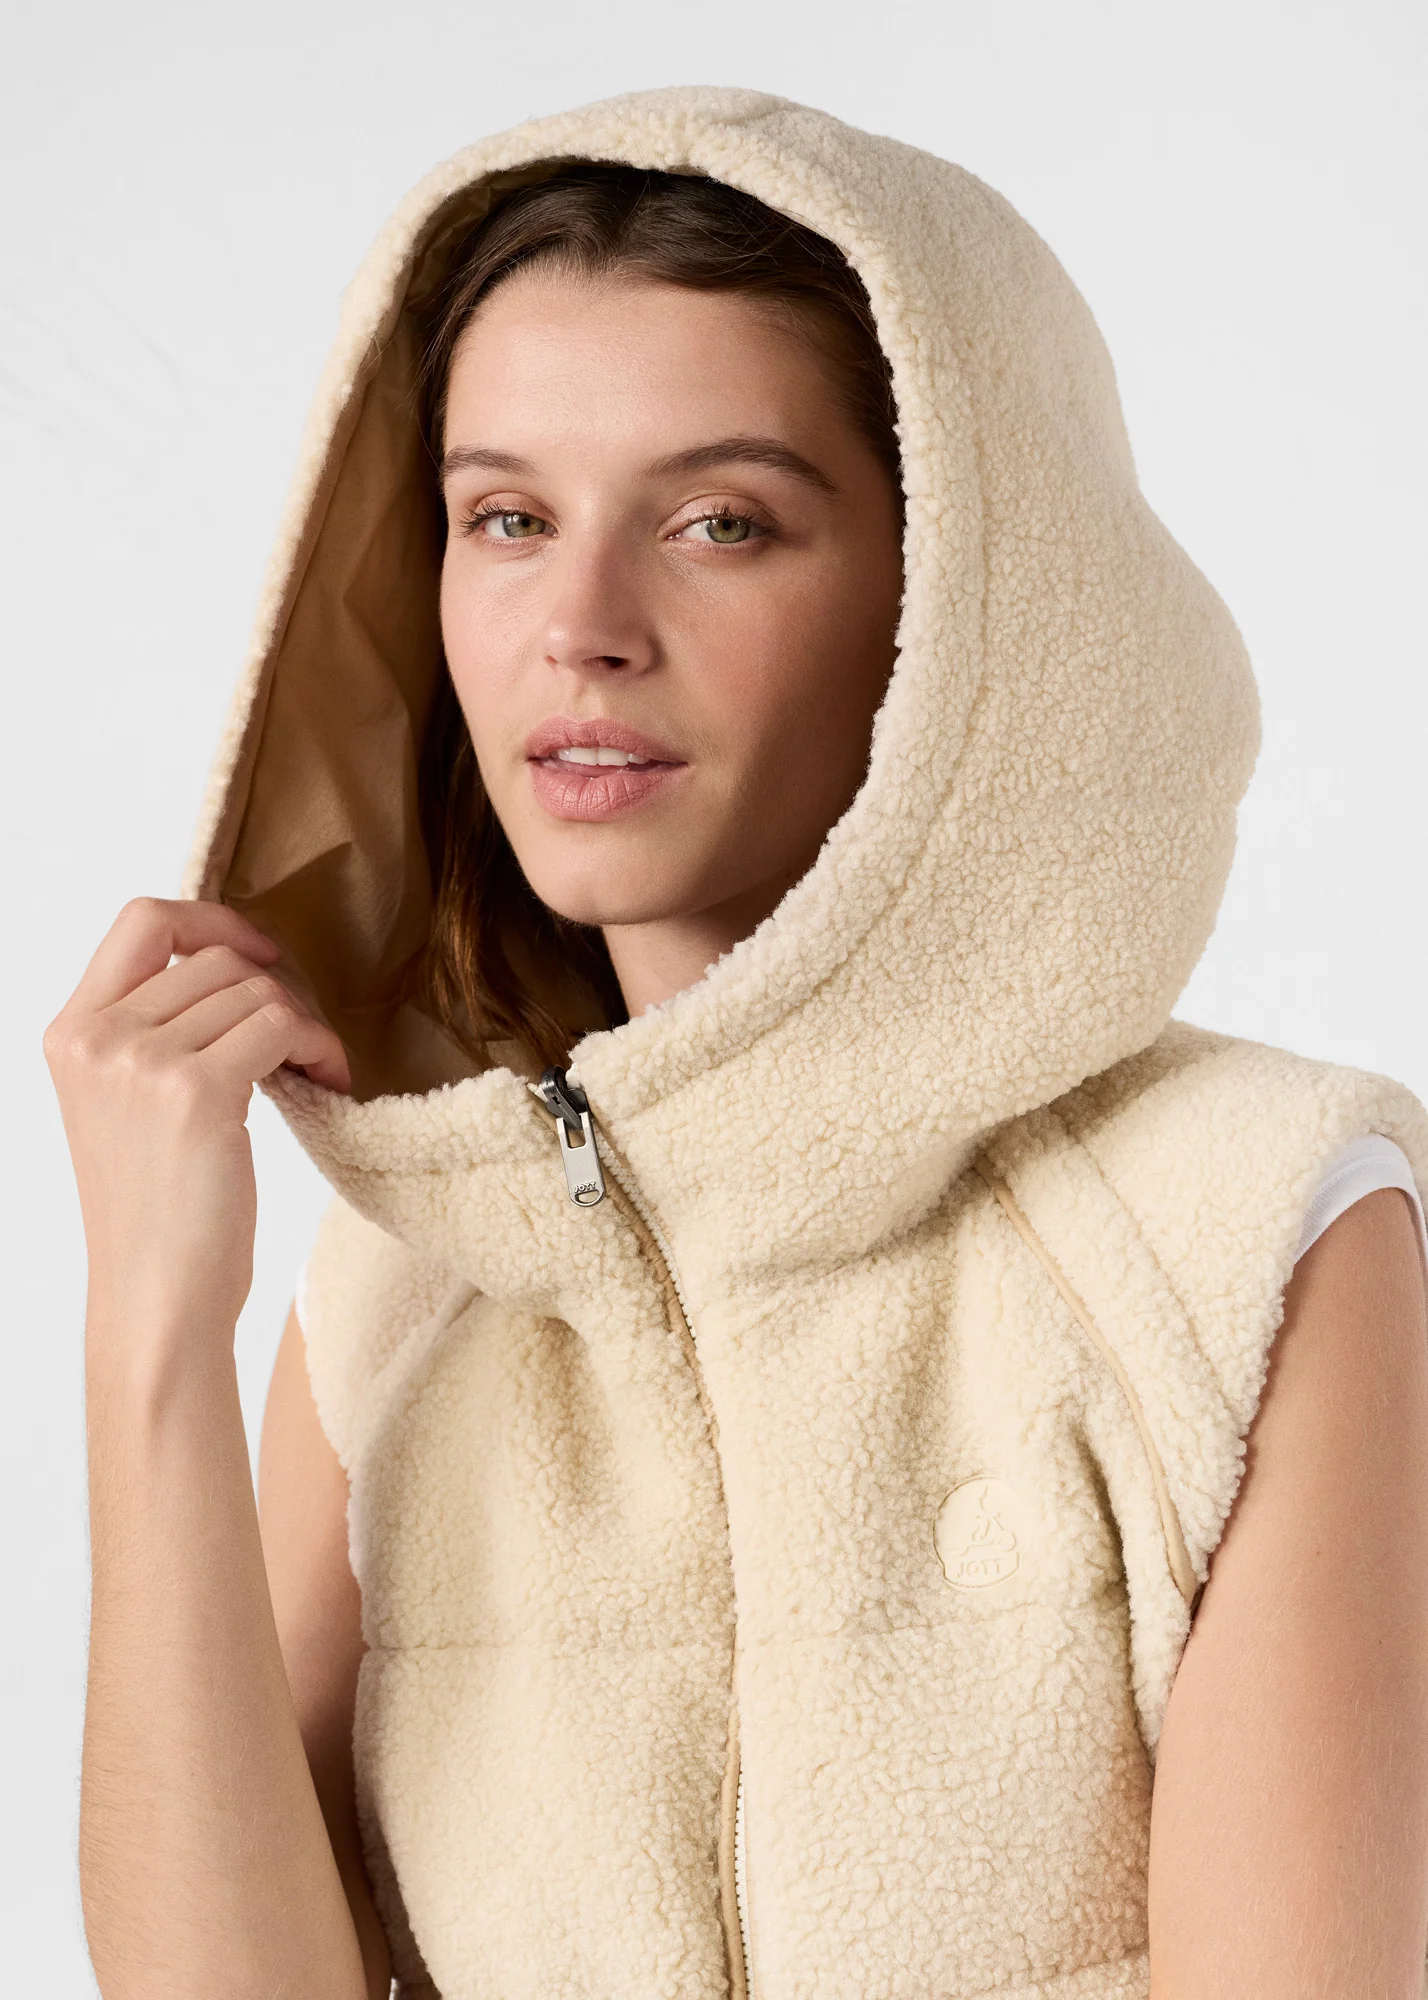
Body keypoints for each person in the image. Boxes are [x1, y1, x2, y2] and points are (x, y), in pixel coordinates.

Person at [43, 86, 1428, 2000]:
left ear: (957, 596)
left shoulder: (1258, 1227)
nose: (582, 625)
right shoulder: (398, 1291)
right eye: (506, 517)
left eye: (722, 521)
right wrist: (151, 1337)